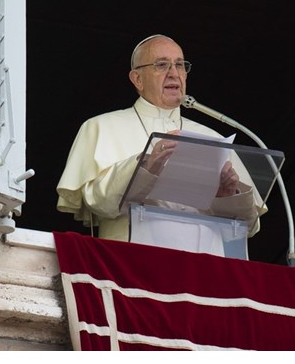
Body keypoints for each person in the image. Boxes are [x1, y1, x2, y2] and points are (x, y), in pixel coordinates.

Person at [56, 34, 266, 243]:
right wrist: (145, 166)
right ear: (137, 79)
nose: (174, 73)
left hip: (203, 266)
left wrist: (228, 195)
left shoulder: (213, 138)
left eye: (180, 65)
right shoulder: (101, 126)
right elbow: (96, 203)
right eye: (162, 64)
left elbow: (248, 226)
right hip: (132, 264)